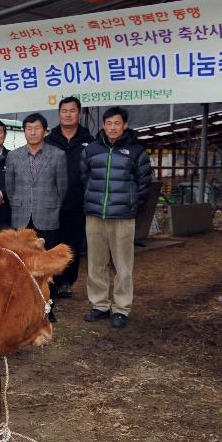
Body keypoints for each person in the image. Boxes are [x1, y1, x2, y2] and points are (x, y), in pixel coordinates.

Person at [81, 106, 152, 329]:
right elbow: (85, 178)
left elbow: (144, 183)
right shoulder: (91, 150)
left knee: (123, 265)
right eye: (109, 123)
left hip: (122, 217)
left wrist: (131, 206)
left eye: (117, 123)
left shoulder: (136, 151)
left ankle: (121, 308)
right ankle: (99, 304)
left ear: (125, 126)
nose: (112, 127)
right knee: (95, 263)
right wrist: (94, 200)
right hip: (95, 215)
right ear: (103, 125)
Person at [5, 113, 67, 321]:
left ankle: (48, 307)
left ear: (45, 131)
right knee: (23, 264)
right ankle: (25, 306)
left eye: (36, 128)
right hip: (22, 216)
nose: (32, 132)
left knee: (47, 263)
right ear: (24, 132)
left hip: (47, 214)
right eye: (28, 128)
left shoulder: (57, 155)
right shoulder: (14, 156)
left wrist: (51, 204)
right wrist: (20, 203)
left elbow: (62, 188)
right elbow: (10, 187)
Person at [45, 97, 94, 298]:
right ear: (59, 114)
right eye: (64, 111)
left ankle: (67, 282)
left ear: (79, 114)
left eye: (72, 110)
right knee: (51, 244)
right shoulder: (49, 140)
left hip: (77, 203)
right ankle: (50, 283)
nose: (68, 114)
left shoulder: (89, 141)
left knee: (73, 246)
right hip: (51, 204)